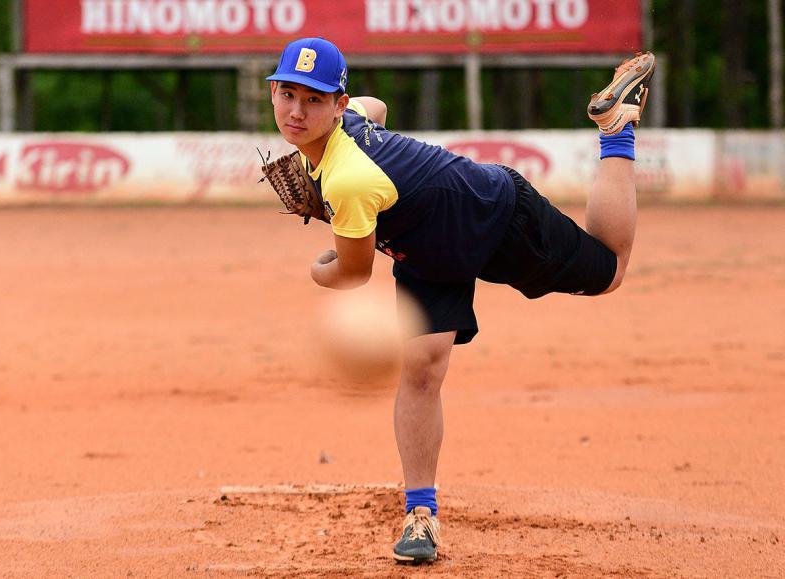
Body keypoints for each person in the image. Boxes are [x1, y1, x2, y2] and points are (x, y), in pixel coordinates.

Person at [266, 37, 655, 565]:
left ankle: (616, 131)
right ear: (272, 93)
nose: (296, 110)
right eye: (288, 93)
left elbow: (352, 273)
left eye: (314, 99)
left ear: (338, 105)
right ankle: (420, 517)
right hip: (426, 252)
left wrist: (318, 271)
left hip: (491, 215)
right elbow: (373, 109)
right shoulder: (349, 121)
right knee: (422, 368)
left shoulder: (350, 181)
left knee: (608, 271)